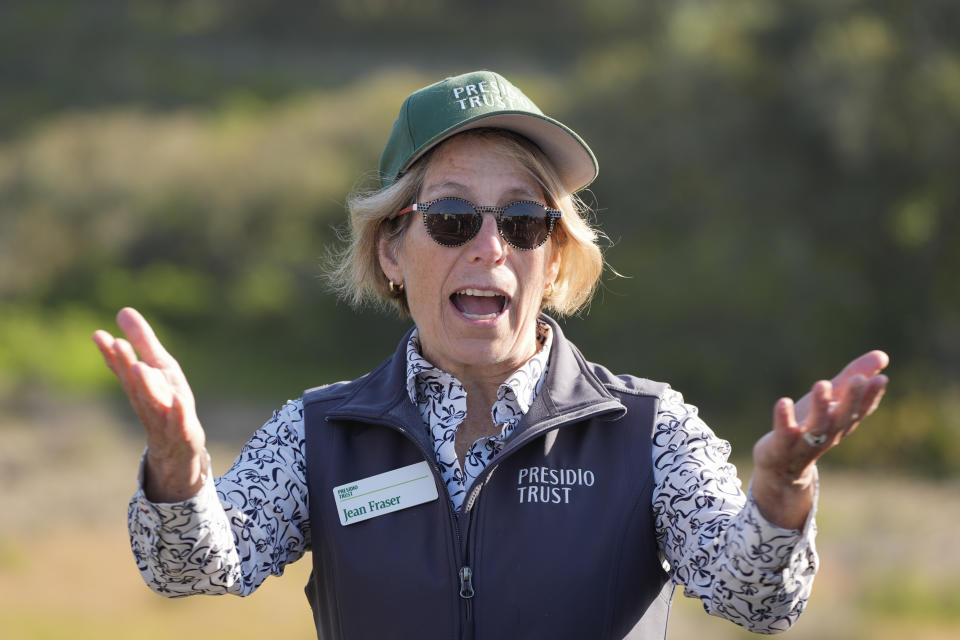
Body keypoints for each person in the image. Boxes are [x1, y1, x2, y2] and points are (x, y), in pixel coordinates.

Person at [93, 70, 889, 639]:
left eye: (523, 221)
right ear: (392, 251)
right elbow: (188, 570)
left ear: (558, 257)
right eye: (449, 217)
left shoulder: (649, 428)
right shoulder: (319, 432)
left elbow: (757, 601)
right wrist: (179, 469)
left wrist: (784, 489)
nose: (490, 247)